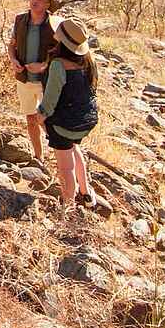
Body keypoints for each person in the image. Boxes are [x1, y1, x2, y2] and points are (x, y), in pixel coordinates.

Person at [36, 15, 100, 208]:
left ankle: (68, 208)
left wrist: (41, 117)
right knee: (73, 148)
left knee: (65, 168)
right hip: (86, 119)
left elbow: (51, 98)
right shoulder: (88, 60)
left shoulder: (58, 64)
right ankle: (86, 193)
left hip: (65, 123)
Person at [8, 0, 62, 162]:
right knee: (31, 119)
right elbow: (12, 45)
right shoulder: (20, 20)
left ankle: (63, 155)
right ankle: (38, 158)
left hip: (46, 81)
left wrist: (44, 66)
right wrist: (13, 60)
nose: (35, 1)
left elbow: (61, 54)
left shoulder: (54, 25)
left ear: (48, 4)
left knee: (48, 120)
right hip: (24, 79)